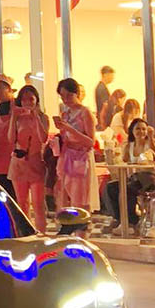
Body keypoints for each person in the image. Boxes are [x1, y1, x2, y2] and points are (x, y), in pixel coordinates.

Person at [106, 118, 155, 236]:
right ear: (132, 131)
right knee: (112, 187)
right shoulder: (129, 147)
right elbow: (124, 161)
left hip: (149, 178)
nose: (141, 132)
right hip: (135, 178)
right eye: (138, 129)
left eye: (144, 129)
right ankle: (121, 219)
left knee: (127, 189)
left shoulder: (151, 143)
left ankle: (131, 222)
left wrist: (151, 137)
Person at [8, 85, 50, 233]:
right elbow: (11, 138)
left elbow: (43, 138)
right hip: (19, 162)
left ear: (36, 100)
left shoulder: (43, 118)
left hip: (35, 161)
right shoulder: (18, 118)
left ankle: (41, 234)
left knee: (38, 203)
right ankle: (26, 233)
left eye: (31, 99)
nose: (27, 102)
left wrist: (36, 116)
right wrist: (13, 116)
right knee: (22, 203)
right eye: (24, 99)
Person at [54, 78, 97, 213]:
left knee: (82, 196)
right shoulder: (66, 113)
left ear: (76, 93)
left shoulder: (85, 112)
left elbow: (90, 141)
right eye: (62, 96)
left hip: (82, 157)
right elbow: (65, 137)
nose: (66, 99)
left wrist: (70, 129)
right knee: (67, 193)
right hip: (68, 156)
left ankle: (83, 226)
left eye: (69, 95)